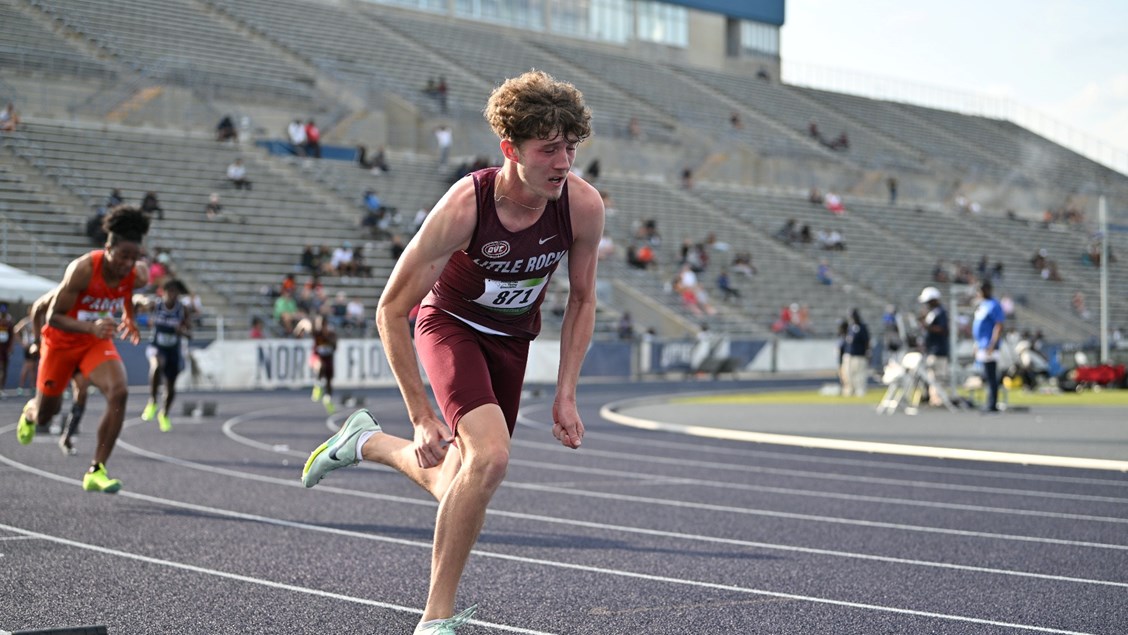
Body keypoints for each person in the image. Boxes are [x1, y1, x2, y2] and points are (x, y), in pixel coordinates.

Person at [300, 70, 602, 634]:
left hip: (512, 340)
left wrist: (566, 393)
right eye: (549, 150)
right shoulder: (467, 205)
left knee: (459, 480)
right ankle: (435, 619)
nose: (563, 163)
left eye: (570, 148)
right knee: (491, 459)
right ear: (510, 149)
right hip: (451, 326)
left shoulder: (581, 206)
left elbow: (583, 299)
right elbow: (391, 309)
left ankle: (364, 441)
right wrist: (420, 414)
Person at [16, 206, 151, 492]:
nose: (126, 263)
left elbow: (126, 290)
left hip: (94, 342)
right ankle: (30, 412)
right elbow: (52, 315)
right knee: (45, 415)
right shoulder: (83, 269)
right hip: (61, 342)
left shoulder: (138, 274)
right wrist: (88, 328)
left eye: (133, 257)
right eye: (121, 256)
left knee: (119, 391)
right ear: (107, 248)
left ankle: (96, 469)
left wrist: (128, 315)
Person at [141, 278, 192, 432]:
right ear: (163, 292)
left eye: (175, 292)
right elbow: (137, 306)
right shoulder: (156, 305)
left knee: (170, 386)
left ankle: (164, 413)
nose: (172, 295)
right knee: (157, 365)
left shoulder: (182, 310)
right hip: (156, 346)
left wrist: (181, 331)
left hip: (173, 350)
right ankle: (152, 402)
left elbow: (190, 334)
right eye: (169, 291)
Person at [972, 280, 1005, 413]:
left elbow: (998, 325)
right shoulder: (982, 305)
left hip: (988, 345)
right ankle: (989, 401)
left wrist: (992, 344)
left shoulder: (994, 305)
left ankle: (992, 403)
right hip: (981, 344)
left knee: (990, 374)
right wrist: (976, 344)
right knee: (985, 374)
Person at [296, 315, 337, 414]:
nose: (321, 328)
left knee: (329, 381)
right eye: (319, 326)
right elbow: (304, 322)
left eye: (322, 326)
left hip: (328, 359)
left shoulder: (332, 334)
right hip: (316, 357)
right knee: (320, 365)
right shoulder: (316, 332)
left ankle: (328, 399)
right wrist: (298, 331)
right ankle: (317, 386)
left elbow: (335, 347)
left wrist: (328, 341)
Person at [917, 286, 950, 406]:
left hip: (939, 350)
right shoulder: (932, 313)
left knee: (939, 377)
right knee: (932, 377)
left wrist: (926, 326)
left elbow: (943, 329)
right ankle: (933, 399)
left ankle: (939, 399)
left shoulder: (940, 312)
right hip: (931, 349)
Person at [843, 308, 870, 396]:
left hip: (859, 355)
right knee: (848, 373)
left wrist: (867, 352)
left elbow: (866, 341)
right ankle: (850, 389)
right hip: (849, 354)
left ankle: (860, 390)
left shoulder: (862, 327)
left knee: (860, 374)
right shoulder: (850, 327)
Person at [0, 303, 13, 396]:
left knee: (4, 368)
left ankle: (1, 388)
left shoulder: (9, 323)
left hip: (5, 349)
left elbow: (12, 336)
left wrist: (10, 348)